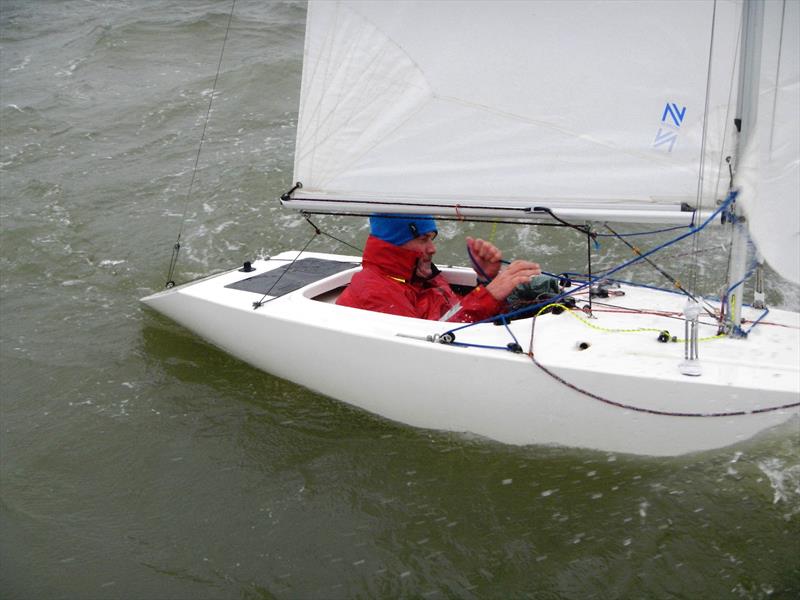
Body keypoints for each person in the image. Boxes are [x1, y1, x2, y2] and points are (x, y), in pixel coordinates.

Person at [336, 214, 542, 322]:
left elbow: (453, 314)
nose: (432, 249)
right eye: (423, 239)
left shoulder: (417, 275)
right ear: (394, 244)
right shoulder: (374, 292)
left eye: (432, 239)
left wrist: (485, 281)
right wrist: (489, 295)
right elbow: (426, 344)